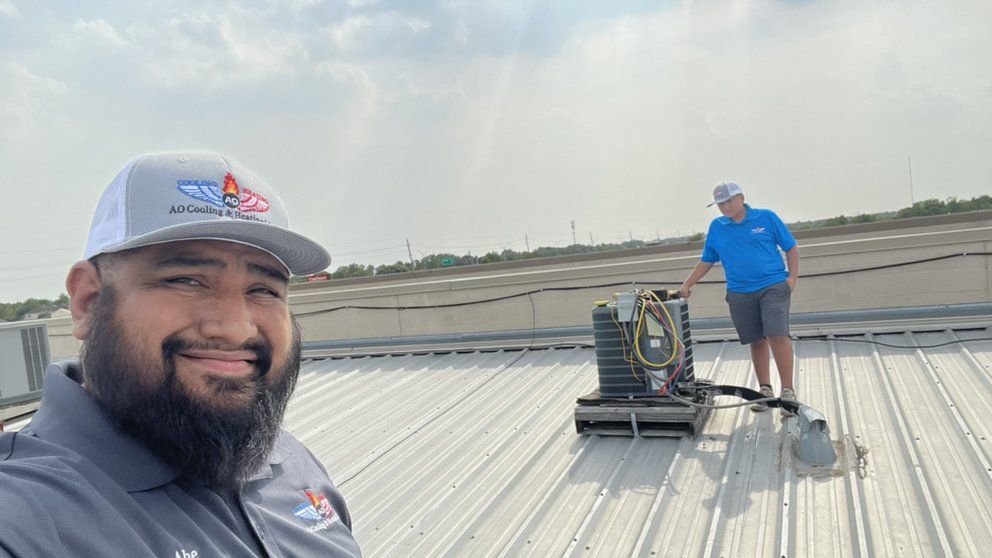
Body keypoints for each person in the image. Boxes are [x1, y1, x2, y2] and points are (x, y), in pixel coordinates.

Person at [0, 152, 363, 557]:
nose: (235, 328)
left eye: (264, 289)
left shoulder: (288, 459)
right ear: (89, 300)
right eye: (186, 280)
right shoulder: (25, 519)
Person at [680, 181, 799, 415]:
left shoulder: (766, 218)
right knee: (756, 340)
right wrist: (687, 283)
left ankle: (788, 392)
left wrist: (792, 279)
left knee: (777, 335)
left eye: (728, 201)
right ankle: (764, 391)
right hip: (739, 292)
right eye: (720, 204)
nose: (724, 207)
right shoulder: (717, 227)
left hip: (772, 286)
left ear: (741, 198)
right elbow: (707, 259)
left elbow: (791, 247)